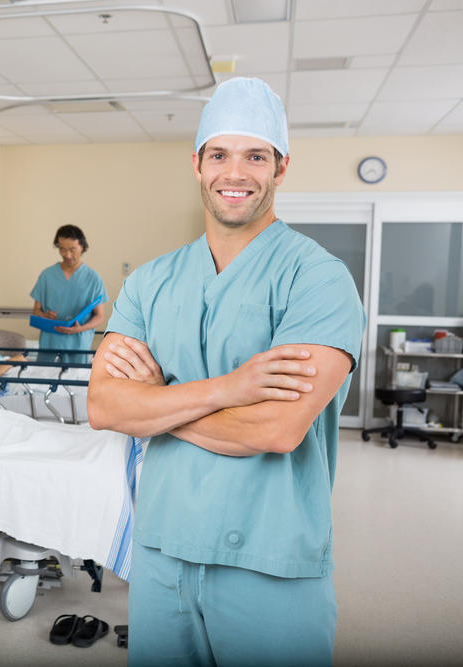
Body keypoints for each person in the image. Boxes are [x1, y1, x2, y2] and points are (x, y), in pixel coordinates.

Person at [86, 77, 366, 666]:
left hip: (269, 556)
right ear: (196, 164)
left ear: (281, 167)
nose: (234, 173)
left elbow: (275, 430)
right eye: (219, 154)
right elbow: (105, 408)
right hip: (162, 549)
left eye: (254, 156)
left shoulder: (318, 279)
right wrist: (229, 390)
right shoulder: (149, 282)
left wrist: (157, 404)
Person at [30, 225, 108, 363]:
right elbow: (36, 310)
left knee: (74, 382)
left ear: (82, 246)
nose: (68, 255)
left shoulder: (93, 278)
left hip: (78, 345)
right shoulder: (47, 275)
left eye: (72, 250)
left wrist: (81, 328)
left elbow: (100, 316)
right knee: (43, 382)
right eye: (62, 250)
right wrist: (44, 315)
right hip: (49, 344)